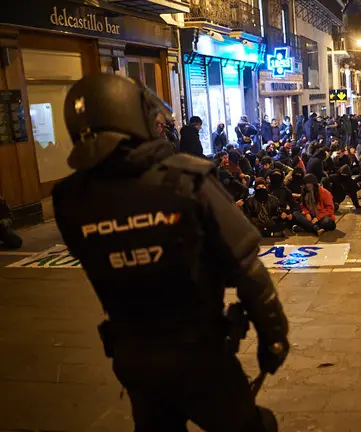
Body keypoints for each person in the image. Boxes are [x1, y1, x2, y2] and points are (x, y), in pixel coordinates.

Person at [51, 74, 288, 431]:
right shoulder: (186, 180)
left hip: (133, 358)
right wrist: (273, 336)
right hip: (200, 356)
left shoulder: (69, 199)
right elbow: (247, 269)